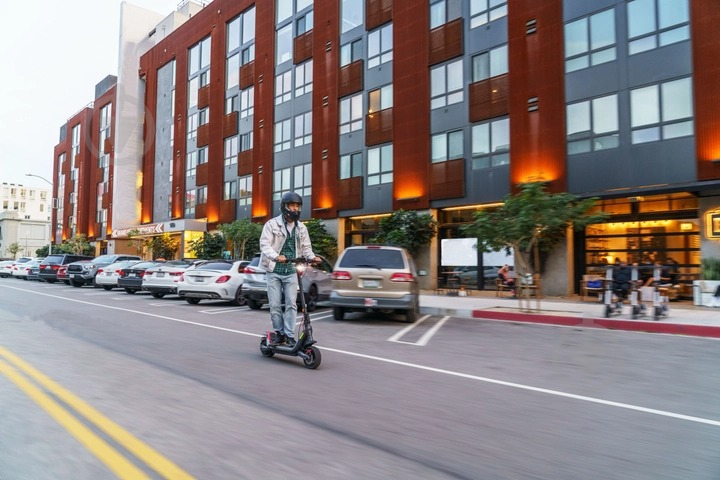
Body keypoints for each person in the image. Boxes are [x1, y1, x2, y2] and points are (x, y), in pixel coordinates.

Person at [259, 192, 320, 347]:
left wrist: (312, 257)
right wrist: (275, 256)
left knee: (292, 304)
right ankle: (279, 333)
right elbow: (264, 244)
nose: (294, 208)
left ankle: (290, 335)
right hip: (274, 269)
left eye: (297, 205)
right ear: (284, 207)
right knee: (275, 304)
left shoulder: (302, 228)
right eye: (291, 205)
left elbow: (306, 247)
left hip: (291, 270)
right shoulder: (271, 225)